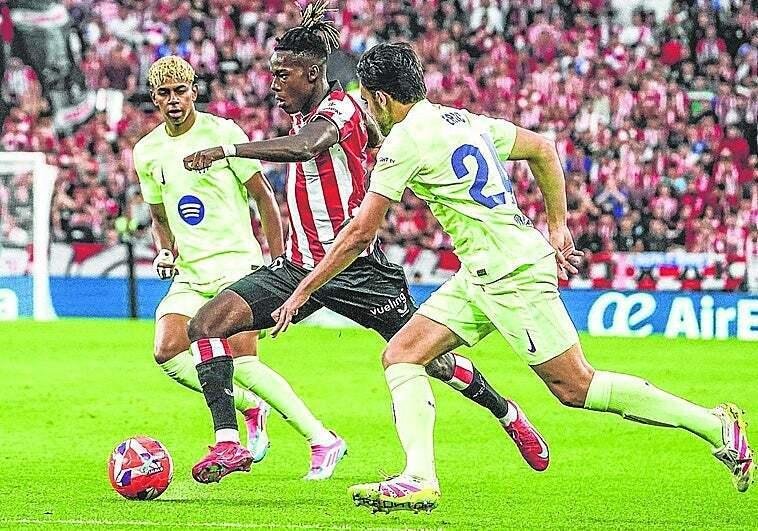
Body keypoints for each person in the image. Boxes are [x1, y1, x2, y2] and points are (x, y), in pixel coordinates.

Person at [269, 43, 754, 513]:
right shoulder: (460, 120)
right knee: (402, 354)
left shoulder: (403, 142)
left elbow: (359, 233)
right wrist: (558, 225)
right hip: (481, 272)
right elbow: (542, 148)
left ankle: (715, 427)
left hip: (511, 273)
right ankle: (418, 477)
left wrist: (302, 290)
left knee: (576, 388)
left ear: (378, 97)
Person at [183, 1, 550, 485]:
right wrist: (370, 145)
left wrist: (226, 150)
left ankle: (507, 412)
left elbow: (307, 148)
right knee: (205, 325)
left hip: (357, 269)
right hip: (300, 266)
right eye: (273, 74)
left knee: (434, 361)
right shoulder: (308, 112)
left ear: (313, 74)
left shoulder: (339, 109)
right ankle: (229, 441)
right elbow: (361, 139)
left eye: (283, 75)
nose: (273, 84)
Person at [134, 55, 340, 481]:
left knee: (242, 362)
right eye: (164, 94)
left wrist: (279, 263)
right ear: (154, 98)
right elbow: (159, 216)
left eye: (181, 91)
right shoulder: (147, 151)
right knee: (167, 351)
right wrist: (165, 251)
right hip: (192, 273)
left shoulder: (223, 134)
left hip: (237, 266)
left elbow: (264, 197)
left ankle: (322, 439)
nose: (174, 101)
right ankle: (249, 406)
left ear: (194, 91)